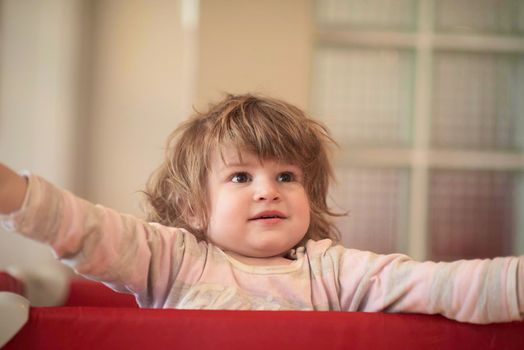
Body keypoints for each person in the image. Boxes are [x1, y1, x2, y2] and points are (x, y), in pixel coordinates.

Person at [0, 94, 523, 324]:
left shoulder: (332, 271)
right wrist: (15, 195)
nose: (267, 190)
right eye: (241, 177)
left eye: (287, 177)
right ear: (194, 206)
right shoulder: (173, 260)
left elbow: (437, 285)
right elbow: (89, 231)